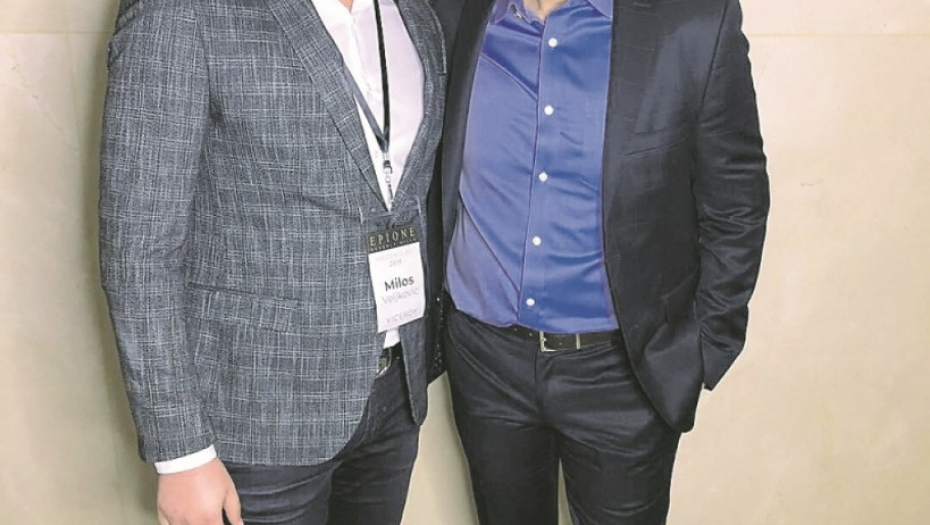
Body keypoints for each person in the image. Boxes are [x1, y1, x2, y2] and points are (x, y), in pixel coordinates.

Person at [98, 0, 445, 523]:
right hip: (256, 422)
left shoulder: (413, 12)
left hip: (395, 398)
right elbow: (139, 249)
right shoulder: (183, 11)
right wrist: (181, 453)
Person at [433, 0, 769, 522]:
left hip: (622, 376)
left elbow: (737, 197)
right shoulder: (453, 12)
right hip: (485, 363)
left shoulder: (693, 21)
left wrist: (703, 345)